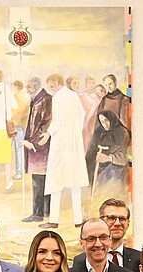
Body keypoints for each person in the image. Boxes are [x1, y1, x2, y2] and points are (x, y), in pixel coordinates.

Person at [43, 73, 89, 229]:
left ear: (56, 83)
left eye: (51, 85)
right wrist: (75, 131)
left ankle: (54, 219)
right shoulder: (73, 96)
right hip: (74, 143)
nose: (51, 88)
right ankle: (78, 220)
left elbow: (57, 120)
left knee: (57, 180)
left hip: (61, 143)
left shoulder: (57, 98)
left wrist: (48, 133)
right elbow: (82, 115)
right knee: (74, 182)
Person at [73, 199, 141, 271]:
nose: (117, 223)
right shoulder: (81, 260)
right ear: (101, 221)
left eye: (122, 219)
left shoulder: (139, 259)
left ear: (128, 223)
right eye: (111, 218)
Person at [19, 77, 52, 223]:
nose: (27, 90)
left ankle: (39, 214)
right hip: (37, 147)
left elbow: (46, 123)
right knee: (40, 180)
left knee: (40, 180)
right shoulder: (37, 99)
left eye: (28, 87)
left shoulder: (45, 99)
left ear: (34, 87)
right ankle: (43, 212)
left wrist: (32, 144)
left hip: (41, 147)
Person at [85, 110, 129, 203]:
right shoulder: (99, 131)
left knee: (109, 180)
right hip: (99, 165)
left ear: (111, 119)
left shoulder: (122, 132)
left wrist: (108, 158)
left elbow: (123, 156)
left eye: (106, 120)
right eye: (101, 121)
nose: (104, 124)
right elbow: (92, 149)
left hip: (115, 167)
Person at [10, 80, 30, 181]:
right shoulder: (26, 96)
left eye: (13, 87)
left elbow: (14, 112)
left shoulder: (17, 97)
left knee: (18, 150)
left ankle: (19, 172)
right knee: (21, 150)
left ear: (16, 87)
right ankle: (22, 171)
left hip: (16, 126)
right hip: (24, 125)